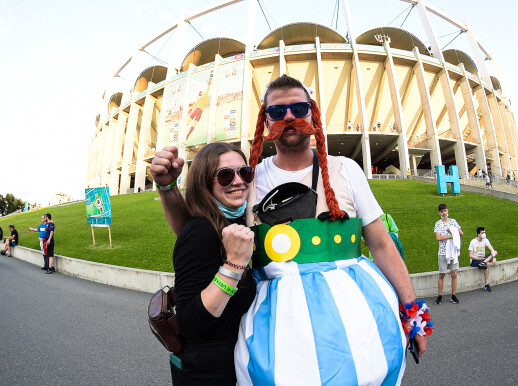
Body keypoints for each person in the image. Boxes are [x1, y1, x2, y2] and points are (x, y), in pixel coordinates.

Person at [151, 75, 429, 385]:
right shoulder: (249, 178)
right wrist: (167, 188)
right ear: (265, 119)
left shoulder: (346, 169)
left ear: (313, 113)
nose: (289, 117)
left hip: (357, 323)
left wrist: (412, 311)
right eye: (277, 111)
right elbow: (199, 228)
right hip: (279, 336)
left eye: (299, 107)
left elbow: (381, 244)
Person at [153, 142, 256, 384]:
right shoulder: (200, 232)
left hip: (236, 362)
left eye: (245, 172)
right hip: (208, 372)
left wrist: (167, 188)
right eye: (225, 175)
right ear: (204, 183)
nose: (239, 181)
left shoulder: (235, 220)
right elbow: (189, 323)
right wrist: (234, 265)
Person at [434, 203, 463, 304]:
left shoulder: (453, 221)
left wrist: (453, 231)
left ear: (447, 210)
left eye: (445, 210)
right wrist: (450, 236)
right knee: (442, 274)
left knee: (454, 273)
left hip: (453, 251)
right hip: (443, 251)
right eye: (441, 211)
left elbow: (461, 233)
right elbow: (438, 238)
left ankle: (453, 295)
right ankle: (440, 295)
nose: (444, 213)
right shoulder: (438, 223)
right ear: (439, 213)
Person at [468, 227, 498, 292]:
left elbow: (492, 249)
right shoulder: (473, 242)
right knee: (487, 263)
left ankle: (484, 262)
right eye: (482, 233)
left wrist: (494, 258)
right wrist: (479, 258)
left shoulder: (485, 240)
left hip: (483, 259)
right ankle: (487, 284)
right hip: (475, 260)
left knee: (495, 252)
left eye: (484, 232)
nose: (484, 234)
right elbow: (470, 255)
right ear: (478, 234)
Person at [186, 75, 213, 140]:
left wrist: (191, 109)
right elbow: (208, 89)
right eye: (202, 91)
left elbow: (195, 105)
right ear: (202, 93)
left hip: (197, 110)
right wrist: (209, 84)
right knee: (193, 124)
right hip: (199, 111)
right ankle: (187, 135)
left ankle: (185, 134)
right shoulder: (205, 96)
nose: (204, 91)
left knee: (189, 122)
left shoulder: (201, 98)